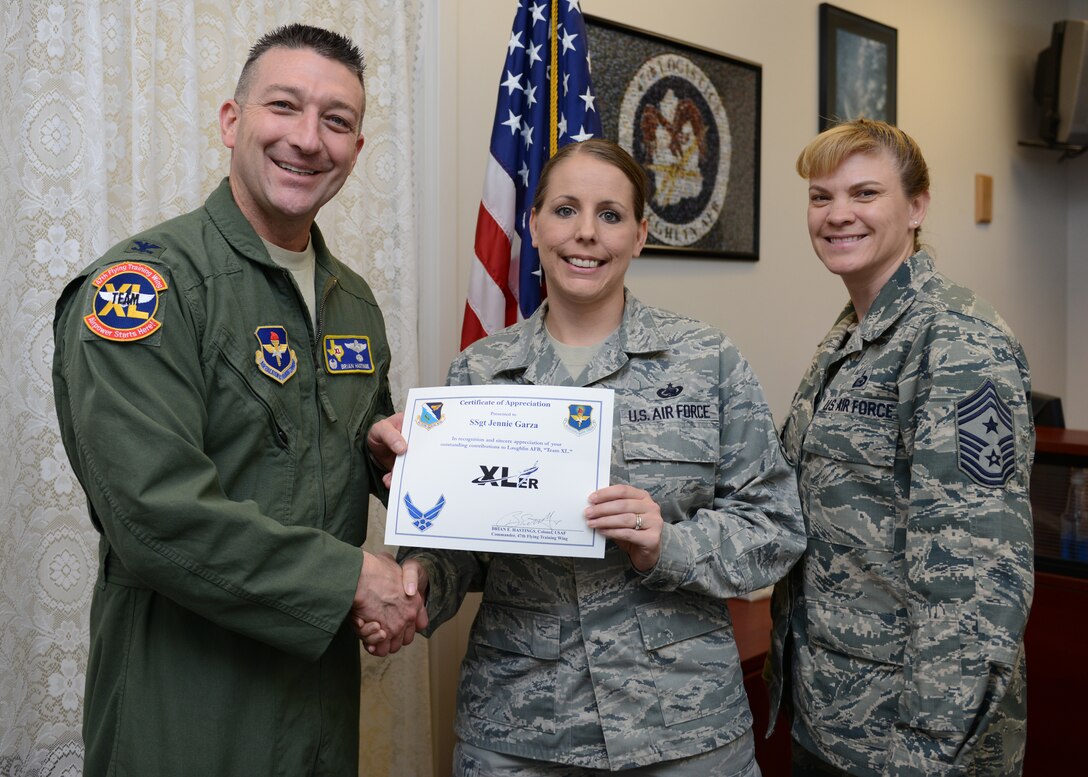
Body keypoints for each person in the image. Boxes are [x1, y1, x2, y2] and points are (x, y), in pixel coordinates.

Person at [51, 24, 422, 777]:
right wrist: (350, 578)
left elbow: (326, 455)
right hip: (187, 702)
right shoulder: (144, 287)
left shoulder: (352, 301)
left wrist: (389, 460)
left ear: (356, 147)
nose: (308, 139)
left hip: (318, 700)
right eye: (284, 105)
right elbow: (153, 512)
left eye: (338, 121)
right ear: (232, 121)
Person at [371, 138, 805, 774]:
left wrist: (667, 543)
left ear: (640, 234)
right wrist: (417, 585)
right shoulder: (481, 374)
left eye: (610, 214)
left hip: (684, 727)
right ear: (534, 223)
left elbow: (776, 524)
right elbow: (454, 541)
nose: (586, 234)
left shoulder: (706, 360)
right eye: (566, 209)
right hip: (520, 726)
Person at [766, 119, 1034, 776]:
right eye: (821, 196)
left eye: (864, 193)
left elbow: (975, 584)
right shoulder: (848, 337)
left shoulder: (957, 342)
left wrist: (924, 755)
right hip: (833, 717)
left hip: (912, 742)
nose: (837, 215)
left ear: (916, 206)